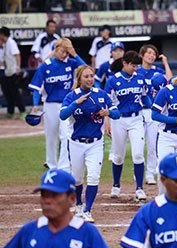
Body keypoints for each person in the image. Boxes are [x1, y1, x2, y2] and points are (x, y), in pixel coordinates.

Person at [60, 65, 120, 223]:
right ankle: (79, 204)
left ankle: (87, 210)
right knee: (77, 178)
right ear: (79, 79)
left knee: (93, 177)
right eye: (86, 76)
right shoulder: (72, 96)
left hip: (96, 143)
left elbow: (117, 114)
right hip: (76, 143)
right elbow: (62, 115)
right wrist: (76, 103)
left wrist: (108, 113)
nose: (90, 79)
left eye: (92, 76)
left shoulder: (101, 94)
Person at [29, 38, 86, 172]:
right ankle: (51, 164)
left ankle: (64, 167)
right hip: (50, 105)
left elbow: (85, 69)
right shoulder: (45, 65)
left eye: (67, 52)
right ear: (55, 49)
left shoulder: (71, 63)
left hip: (66, 104)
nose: (65, 55)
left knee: (66, 135)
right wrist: (35, 105)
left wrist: (74, 53)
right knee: (51, 136)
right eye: (63, 51)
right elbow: (36, 87)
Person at [104, 50, 151, 201]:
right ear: (124, 63)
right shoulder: (113, 80)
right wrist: (107, 121)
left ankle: (139, 188)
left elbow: (145, 98)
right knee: (118, 155)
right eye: (133, 65)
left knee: (138, 154)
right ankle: (116, 185)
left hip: (137, 119)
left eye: (137, 66)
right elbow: (107, 103)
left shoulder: (140, 78)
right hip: (119, 120)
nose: (136, 68)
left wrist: (154, 109)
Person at [137, 44, 172, 185]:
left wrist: (165, 63)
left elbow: (170, 81)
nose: (151, 55)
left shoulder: (157, 71)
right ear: (142, 55)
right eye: (149, 53)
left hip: (153, 111)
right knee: (138, 144)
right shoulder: (136, 71)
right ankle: (138, 171)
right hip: (138, 111)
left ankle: (150, 172)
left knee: (152, 144)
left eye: (154, 53)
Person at [0, 26, 25, 119]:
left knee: (15, 93)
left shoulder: (11, 42)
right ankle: (10, 112)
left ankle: (22, 111)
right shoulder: (5, 44)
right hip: (8, 72)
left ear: (2, 35)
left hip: (14, 72)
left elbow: (17, 55)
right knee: (8, 93)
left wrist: (18, 68)